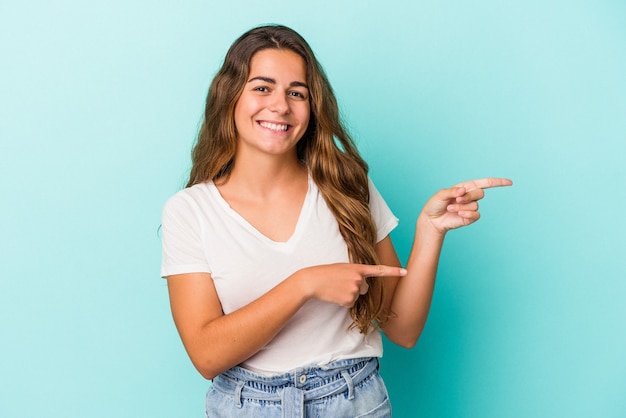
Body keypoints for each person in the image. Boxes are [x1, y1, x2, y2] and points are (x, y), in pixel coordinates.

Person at [161, 24, 512, 418]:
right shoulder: (189, 210)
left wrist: (430, 232)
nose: (280, 105)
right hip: (246, 406)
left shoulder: (346, 186)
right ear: (230, 96)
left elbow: (403, 330)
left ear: (312, 108)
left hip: (354, 401)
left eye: (297, 92)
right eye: (262, 87)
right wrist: (304, 284)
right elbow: (206, 355)